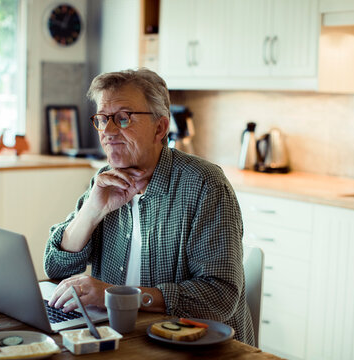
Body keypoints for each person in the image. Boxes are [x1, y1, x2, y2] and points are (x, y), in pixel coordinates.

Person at [43, 68, 255, 345]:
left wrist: (115, 294)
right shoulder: (105, 181)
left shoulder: (205, 185)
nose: (107, 131)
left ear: (160, 128)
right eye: (102, 119)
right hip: (126, 337)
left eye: (122, 118)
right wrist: (91, 211)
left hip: (198, 346)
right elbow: (55, 269)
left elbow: (219, 297)